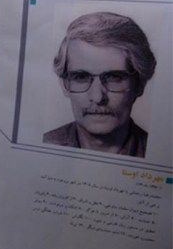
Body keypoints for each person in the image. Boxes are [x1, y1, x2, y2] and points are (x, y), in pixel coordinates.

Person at [43, 12, 156, 157]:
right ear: (65, 85)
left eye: (114, 77)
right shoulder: (44, 145)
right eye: (81, 77)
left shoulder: (158, 153)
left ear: (140, 84)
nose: (97, 97)